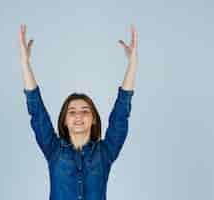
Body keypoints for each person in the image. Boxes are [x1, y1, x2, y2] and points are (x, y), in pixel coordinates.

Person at [19, 23, 138, 200]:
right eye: (72, 112)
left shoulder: (104, 153)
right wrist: (25, 63)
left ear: (94, 119)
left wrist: (133, 64)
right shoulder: (54, 150)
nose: (79, 116)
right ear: (65, 121)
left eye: (85, 111)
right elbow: (37, 112)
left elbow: (121, 113)